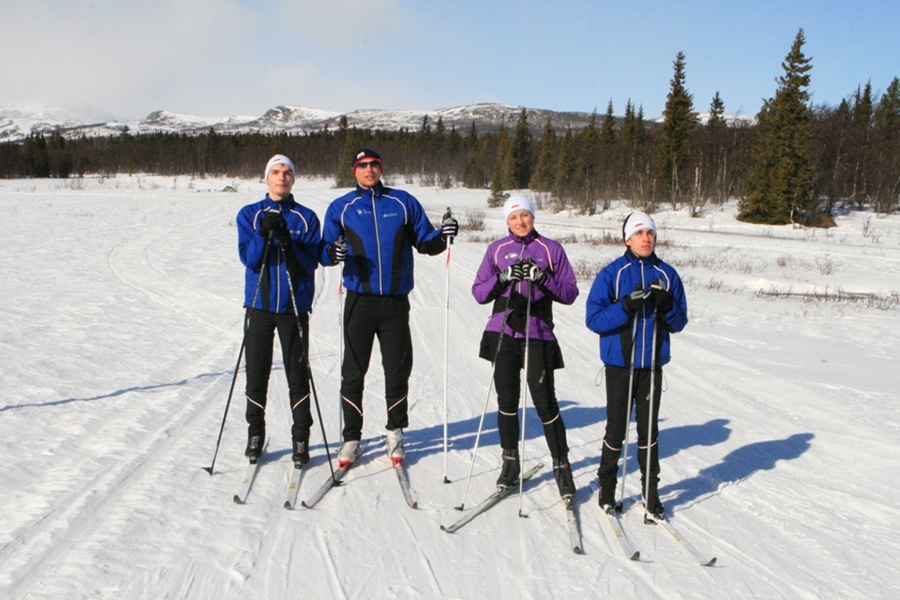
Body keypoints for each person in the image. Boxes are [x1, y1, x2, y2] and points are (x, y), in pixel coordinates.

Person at [321, 149, 457, 466]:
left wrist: (444, 235)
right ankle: (351, 437)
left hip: (395, 302)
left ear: (381, 168)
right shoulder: (341, 207)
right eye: (362, 166)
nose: (369, 170)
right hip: (359, 301)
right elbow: (325, 249)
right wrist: (333, 252)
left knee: (397, 369)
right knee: (353, 371)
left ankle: (395, 431)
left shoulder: (402, 203)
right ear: (354, 171)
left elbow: (426, 242)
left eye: (374, 165)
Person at [470, 195, 579, 501]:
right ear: (507, 220)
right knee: (507, 398)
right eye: (514, 217)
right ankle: (510, 462)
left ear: (533, 217)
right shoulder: (497, 250)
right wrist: (503, 278)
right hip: (502, 330)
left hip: (538, 330)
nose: (520, 222)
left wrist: (542, 278)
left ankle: (562, 465)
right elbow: (478, 293)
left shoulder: (550, 249)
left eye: (525, 216)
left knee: (545, 401)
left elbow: (570, 292)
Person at [585, 211, 688, 518]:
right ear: (627, 239)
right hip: (620, 364)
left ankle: (650, 492)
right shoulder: (613, 274)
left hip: (652, 365)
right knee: (616, 430)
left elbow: (679, 321)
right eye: (640, 233)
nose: (646, 239)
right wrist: (625, 307)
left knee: (648, 432)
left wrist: (667, 305)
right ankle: (607, 487)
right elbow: (594, 319)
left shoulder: (667, 275)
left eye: (650, 234)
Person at [236, 154, 323, 468]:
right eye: (276, 172)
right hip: (259, 304)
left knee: (297, 375)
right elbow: (250, 259)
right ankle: (255, 433)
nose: (282, 178)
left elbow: (310, 262)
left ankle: (301, 437)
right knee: (256, 373)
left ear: (294, 179)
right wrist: (263, 233)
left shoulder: (306, 218)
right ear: (266, 178)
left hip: (293, 307)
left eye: (287, 173)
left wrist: (288, 243)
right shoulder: (249, 214)